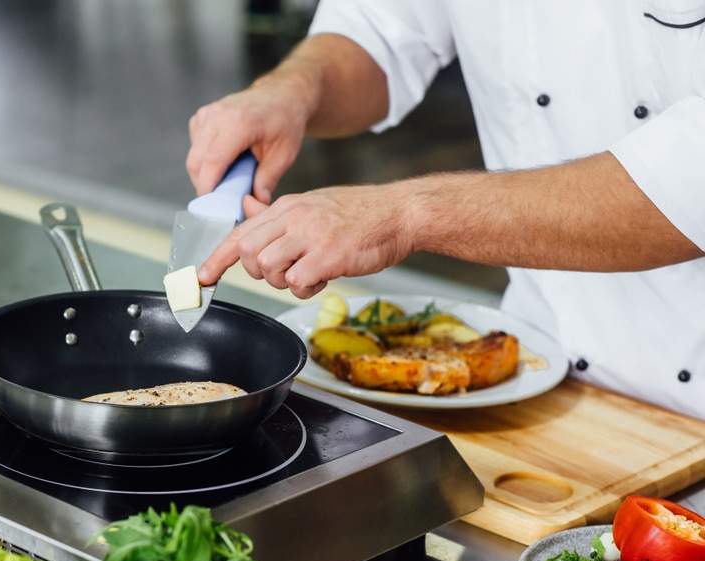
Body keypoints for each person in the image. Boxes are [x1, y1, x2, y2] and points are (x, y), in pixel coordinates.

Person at [185, 1, 705, 420]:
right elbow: (382, 28)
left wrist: (405, 213)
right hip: (538, 372)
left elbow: (688, 182)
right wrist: (291, 89)